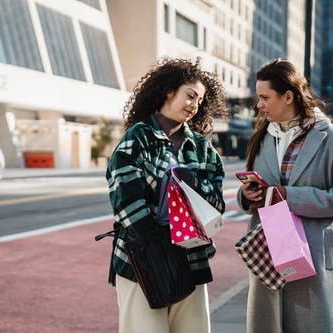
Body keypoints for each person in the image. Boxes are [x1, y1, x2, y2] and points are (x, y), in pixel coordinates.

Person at [237, 59, 333, 333]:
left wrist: (288, 196)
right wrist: (247, 196)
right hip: (268, 255)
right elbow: (251, 191)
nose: (259, 105)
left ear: (288, 97)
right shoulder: (262, 138)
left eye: (265, 97)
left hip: (312, 257)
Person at [105, 57, 227, 333]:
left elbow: (216, 204)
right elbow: (126, 203)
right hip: (143, 261)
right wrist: (160, 246)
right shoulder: (137, 139)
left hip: (192, 259)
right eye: (190, 95)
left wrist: (193, 188)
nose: (194, 104)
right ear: (169, 91)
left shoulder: (202, 147)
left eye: (199, 100)